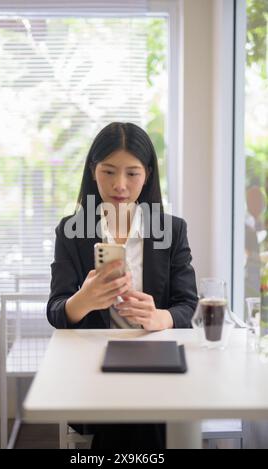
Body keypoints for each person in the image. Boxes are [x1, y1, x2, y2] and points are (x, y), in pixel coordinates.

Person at [47, 122, 198, 449]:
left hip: (156, 363)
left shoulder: (171, 231)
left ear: (147, 174)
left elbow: (188, 304)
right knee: (137, 416)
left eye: (132, 173)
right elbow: (56, 311)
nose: (120, 185)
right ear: (93, 171)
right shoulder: (71, 231)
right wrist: (83, 300)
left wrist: (161, 317)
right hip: (93, 369)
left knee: (141, 409)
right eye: (109, 171)